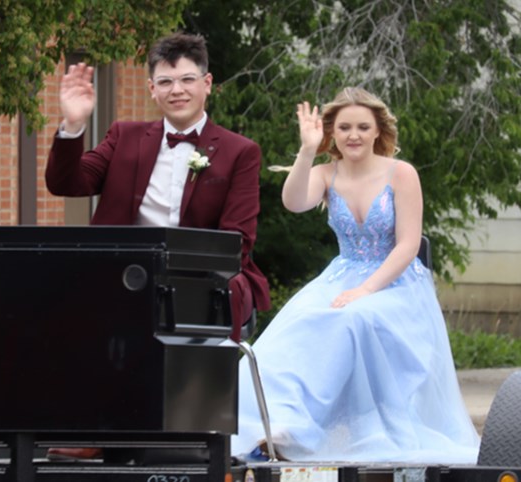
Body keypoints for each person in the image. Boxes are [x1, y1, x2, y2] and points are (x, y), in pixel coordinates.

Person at [44, 32, 270, 461]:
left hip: (201, 277)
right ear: (151, 89)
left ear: (207, 83)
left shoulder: (240, 151)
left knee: (177, 304)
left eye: (187, 79)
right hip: (121, 275)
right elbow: (66, 183)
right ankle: (96, 428)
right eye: (165, 82)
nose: (177, 90)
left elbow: (237, 240)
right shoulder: (124, 136)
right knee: (77, 295)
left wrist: (180, 274)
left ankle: (189, 430)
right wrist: (73, 124)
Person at [232, 87, 480, 463]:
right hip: (342, 275)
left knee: (355, 317)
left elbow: (408, 245)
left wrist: (366, 290)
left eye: (363, 127)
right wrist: (306, 150)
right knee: (298, 324)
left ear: (378, 130)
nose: (353, 135)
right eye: (344, 127)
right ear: (332, 132)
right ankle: (279, 423)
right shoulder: (326, 173)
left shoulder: (402, 174)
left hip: (395, 283)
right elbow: (294, 203)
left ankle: (364, 429)